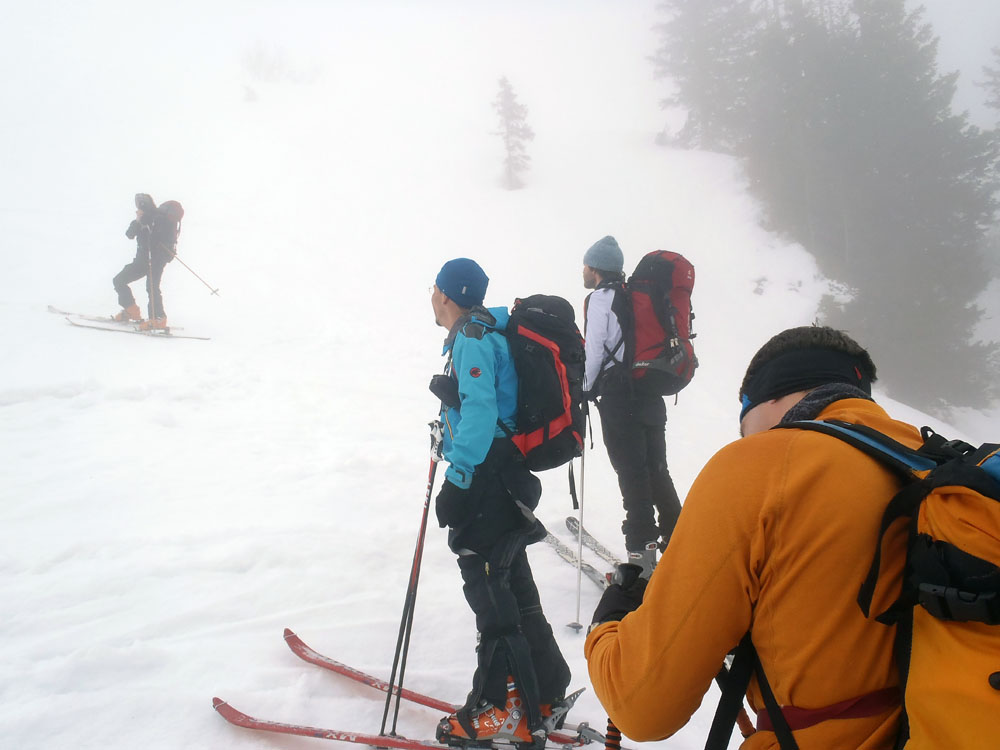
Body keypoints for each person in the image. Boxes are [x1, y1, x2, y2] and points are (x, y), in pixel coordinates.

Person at [585, 326, 911, 749]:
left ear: (768, 397)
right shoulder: (926, 463)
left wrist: (607, 626)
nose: (743, 436)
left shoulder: (763, 465)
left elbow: (641, 708)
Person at [429, 258, 571, 745]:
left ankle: (503, 707)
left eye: (434, 290)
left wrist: (458, 479)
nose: (431, 297)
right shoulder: (489, 331)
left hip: (487, 477)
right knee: (512, 584)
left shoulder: (472, 336)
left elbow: (483, 411)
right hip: (507, 472)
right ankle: (544, 689)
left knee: (489, 589)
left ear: (447, 294)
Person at [581, 235, 682, 577]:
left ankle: (641, 559)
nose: (583, 270)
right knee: (657, 470)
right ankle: (682, 543)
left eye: (586, 265)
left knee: (632, 476)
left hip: (619, 397)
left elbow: (595, 350)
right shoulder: (634, 295)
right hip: (649, 390)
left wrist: (584, 388)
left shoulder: (601, 298)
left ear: (595, 269)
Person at [112, 193, 175, 330]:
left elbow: (159, 236)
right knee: (119, 280)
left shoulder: (158, 219)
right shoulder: (142, 219)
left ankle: (158, 319)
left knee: (152, 287)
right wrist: (138, 221)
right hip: (141, 261)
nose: (138, 209)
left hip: (156, 260)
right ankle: (131, 310)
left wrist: (146, 222)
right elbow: (129, 234)